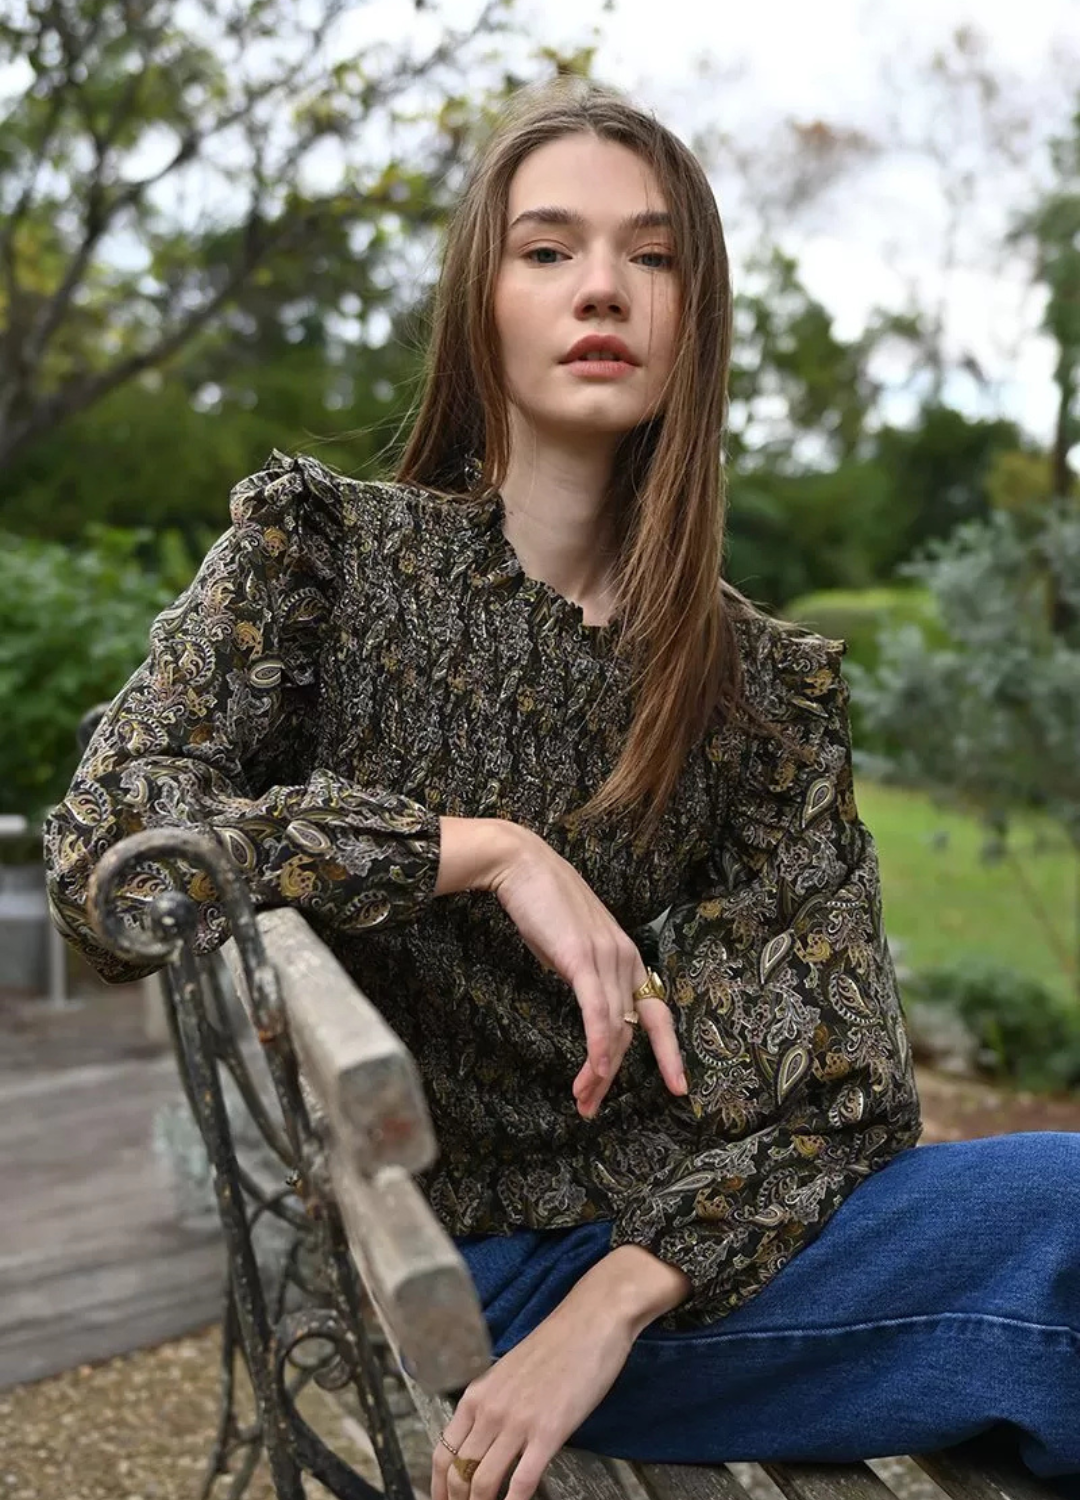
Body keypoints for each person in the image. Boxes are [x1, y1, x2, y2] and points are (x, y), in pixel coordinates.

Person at [43, 75, 1080, 1500]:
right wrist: (479, 849)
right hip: (488, 1275)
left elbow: (839, 1094)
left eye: (652, 256)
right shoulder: (327, 559)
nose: (603, 286)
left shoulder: (760, 693)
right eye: (548, 250)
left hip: (686, 1266)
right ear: (484, 301)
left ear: (698, 317)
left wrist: (616, 1302)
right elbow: (112, 860)